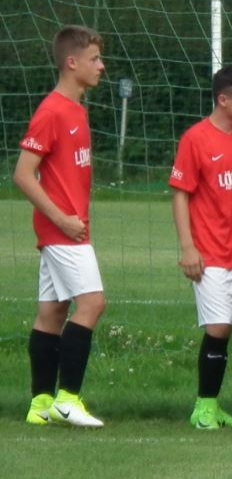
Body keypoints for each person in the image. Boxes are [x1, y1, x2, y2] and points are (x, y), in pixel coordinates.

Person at [14, 25, 106, 427]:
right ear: (72, 62)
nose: (101, 66)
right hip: (65, 231)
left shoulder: (77, 110)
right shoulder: (52, 112)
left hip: (68, 229)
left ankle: (39, 405)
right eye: (94, 59)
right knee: (93, 304)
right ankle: (68, 399)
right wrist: (61, 219)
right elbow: (22, 174)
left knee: (52, 312)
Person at [169, 66, 232, 430]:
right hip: (210, 253)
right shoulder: (195, 139)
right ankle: (202, 408)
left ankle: (214, 405)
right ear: (223, 100)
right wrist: (187, 247)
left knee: (228, 330)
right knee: (218, 328)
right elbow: (180, 195)